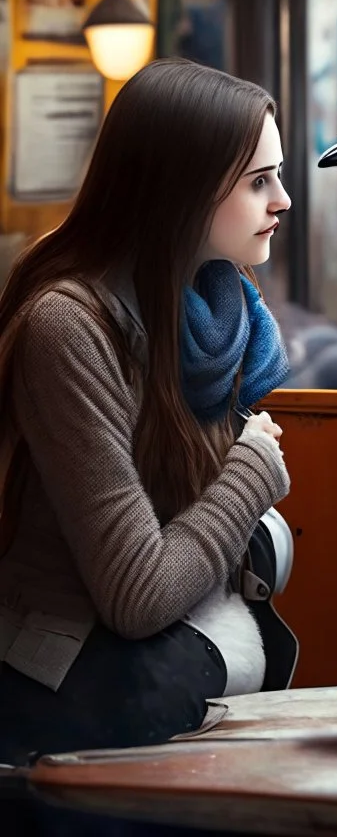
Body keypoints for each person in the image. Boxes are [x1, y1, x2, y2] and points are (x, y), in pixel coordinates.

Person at [0, 58, 298, 834]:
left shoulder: (217, 313)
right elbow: (135, 595)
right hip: (71, 718)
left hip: (176, 717)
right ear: (186, 188)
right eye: (260, 181)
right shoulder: (67, 327)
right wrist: (251, 474)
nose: (283, 200)